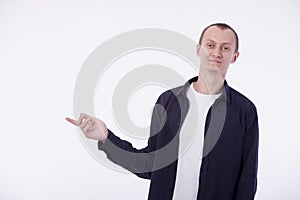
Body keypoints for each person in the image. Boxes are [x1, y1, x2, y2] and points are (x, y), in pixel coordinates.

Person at [66, 23, 259, 200]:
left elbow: (247, 180)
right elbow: (149, 165)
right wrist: (106, 138)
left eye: (225, 48)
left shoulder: (244, 111)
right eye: (210, 45)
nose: (217, 52)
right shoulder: (168, 102)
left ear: (235, 56)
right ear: (198, 49)